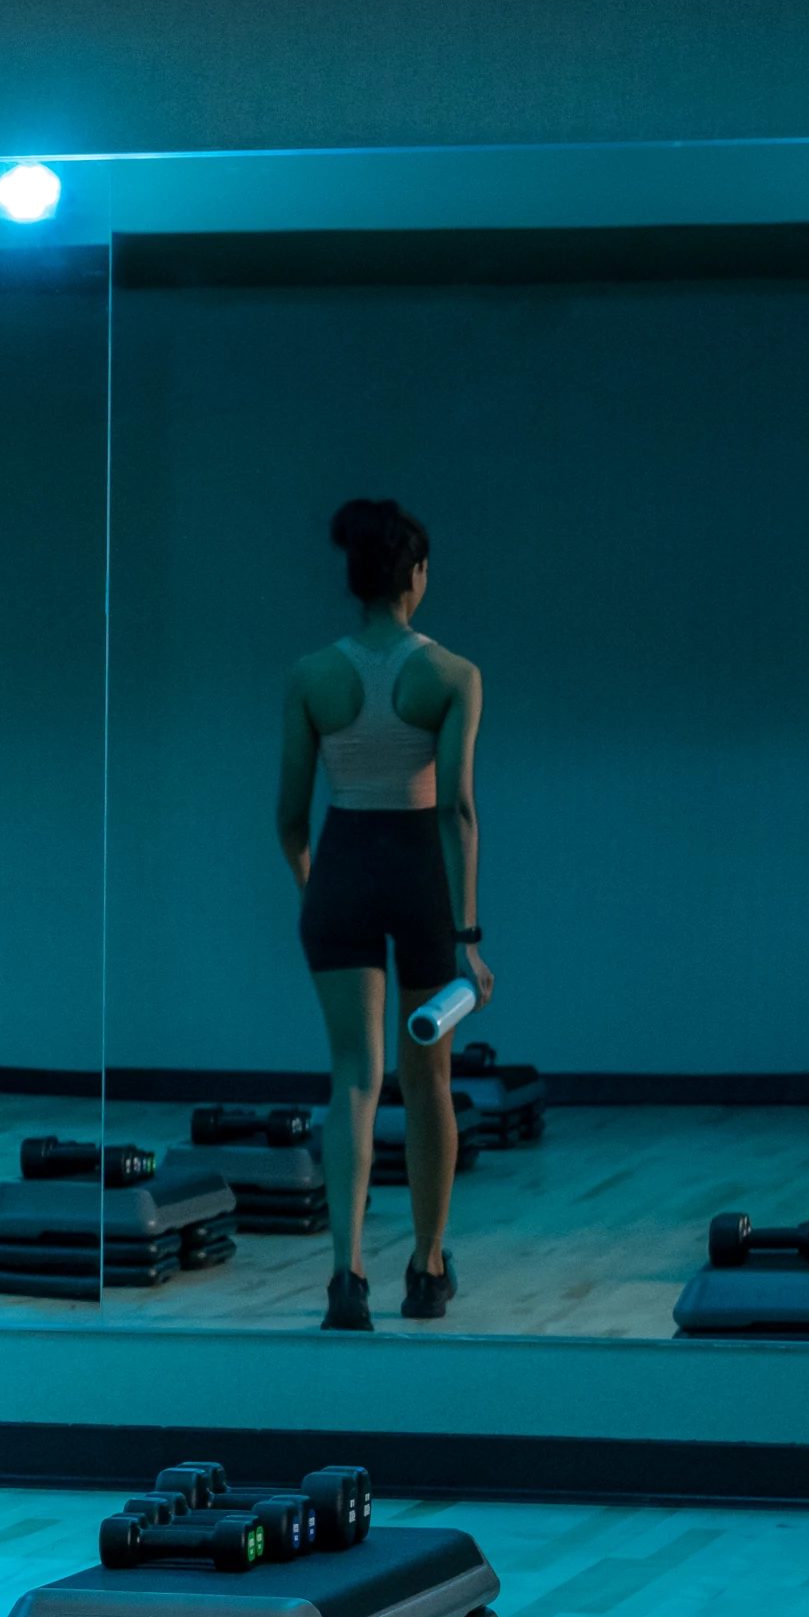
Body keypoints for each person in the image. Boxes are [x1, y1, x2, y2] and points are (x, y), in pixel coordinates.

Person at [275, 496, 491, 1327]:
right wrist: (468, 937)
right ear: (416, 577)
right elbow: (456, 811)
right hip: (419, 878)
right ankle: (428, 1269)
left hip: (341, 867)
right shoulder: (454, 676)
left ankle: (345, 1277)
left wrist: (317, 893)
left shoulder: (311, 676)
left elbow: (288, 818)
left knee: (353, 1080)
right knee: (425, 1078)